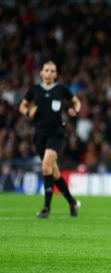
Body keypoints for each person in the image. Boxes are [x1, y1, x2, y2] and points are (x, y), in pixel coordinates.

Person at [19, 60, 81, 218]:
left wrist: (75, 110)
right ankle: (72, 202)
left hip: (56, 133)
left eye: (52, 71)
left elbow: (76, 102)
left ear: (56, 74)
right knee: (55, 173)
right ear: (41, 73)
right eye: (46, 70)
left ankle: (46, 208)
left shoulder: (60, 89)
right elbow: (23, 106)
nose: (49, 73)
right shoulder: (34, 90)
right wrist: (28, 113)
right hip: (39, 135)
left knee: (46, 166)